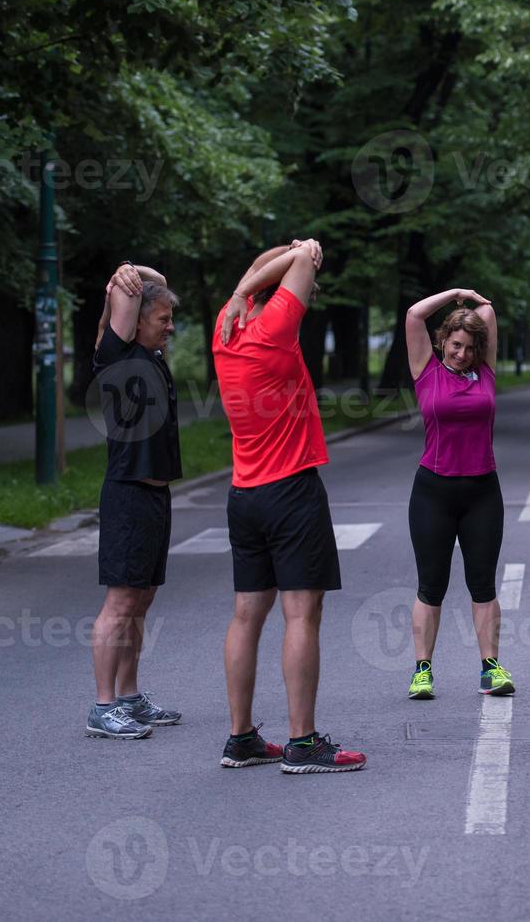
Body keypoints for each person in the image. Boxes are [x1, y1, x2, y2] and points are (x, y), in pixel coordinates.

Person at [212, 239, 368, 772]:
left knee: (245, 616)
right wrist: (306, 252)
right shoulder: (275, 330)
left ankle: (241, 738)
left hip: (243, 493)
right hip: (291, 491)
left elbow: (259, 269)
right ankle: (302, 742)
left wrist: (291, 253)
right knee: (302, 612)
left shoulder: (227, 326)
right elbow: (292, 269)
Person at [85, 261, 185, 740]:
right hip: (127, 493)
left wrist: (140, 274)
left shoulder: (153, 354)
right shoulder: (117, 354)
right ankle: (104, 707)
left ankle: (128, 696)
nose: (170, 326)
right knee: (121, 602)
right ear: (135, 319)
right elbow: (129, 289)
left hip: (155, 496)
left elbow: (157, 282)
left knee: (141, 601)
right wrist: (123, 272)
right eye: (162, 318)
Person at [403, 288, 512, 701]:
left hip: (483, 491)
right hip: (433, 491)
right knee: (431, 586)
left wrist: (473, 311)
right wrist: (458, 295)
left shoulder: (486, 370)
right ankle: (422, 671)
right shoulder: (426, 370)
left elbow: (489, 310)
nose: (462, 354)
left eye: (469, 347)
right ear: (442, 342)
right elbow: (414, 313)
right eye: (455, 345)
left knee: (482, 584)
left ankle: (491, 669)